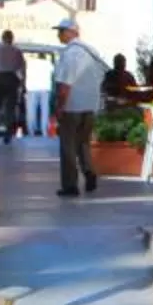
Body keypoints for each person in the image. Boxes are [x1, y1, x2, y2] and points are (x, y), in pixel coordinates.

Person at [52, 21, 110, 197]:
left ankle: (70, 185)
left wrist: (60, 106)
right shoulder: (91, 52)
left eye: (61, 31)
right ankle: (89, 172)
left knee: (67, 145)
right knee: (83, 143)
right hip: (90, 106)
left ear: (71, 32)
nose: (59, 35)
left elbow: (65, 84)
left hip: (72, 106)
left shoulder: (71, 54)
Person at [0, 31, 26, 141]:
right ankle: (7, 133)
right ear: (12, 38)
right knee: (10, 107)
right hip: (11, 78)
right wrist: (23, 84)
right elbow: (22, 68)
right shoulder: (17, 51)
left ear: (2, 38)